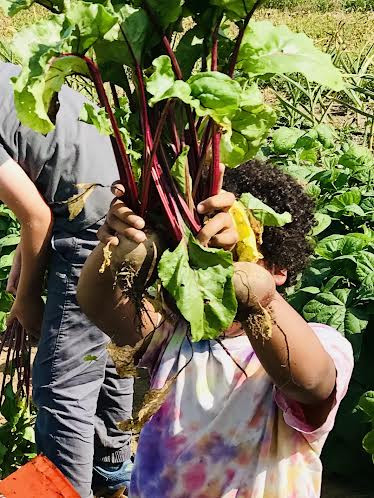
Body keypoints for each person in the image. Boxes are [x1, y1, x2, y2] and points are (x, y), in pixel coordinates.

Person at [77, 160, 354, 497]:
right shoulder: (175, 336)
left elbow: (310, 383)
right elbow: (98, 302)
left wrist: (260, 297)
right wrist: (119, 246)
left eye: (240, 243)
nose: (212, 256)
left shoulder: (322, 341)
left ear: (278, 268)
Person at [0, 61, 134, 497]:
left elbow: (37, 213)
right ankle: (114, 477)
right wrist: (25, 254)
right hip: (126, 204)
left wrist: (26, 299)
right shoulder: (7, 75)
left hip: (90, 224)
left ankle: (65, 491)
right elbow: (43, 165)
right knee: (111, 349)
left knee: (61, 385)